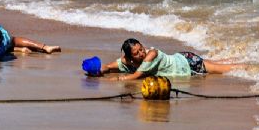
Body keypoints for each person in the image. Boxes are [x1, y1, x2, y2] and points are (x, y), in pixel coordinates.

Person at [97, 38, 240, 80]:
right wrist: (99, 70)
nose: (141, 53)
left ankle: (252, 69)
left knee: (224, 70)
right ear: (130, 57)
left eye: (141, 49)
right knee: (216, 63)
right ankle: (240, 57)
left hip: (188, 64)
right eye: (136, 53)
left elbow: (136, 75)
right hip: (183, 58)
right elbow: (109, 67)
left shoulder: (151, 54)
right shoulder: (128, 61)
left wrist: (120, 79)